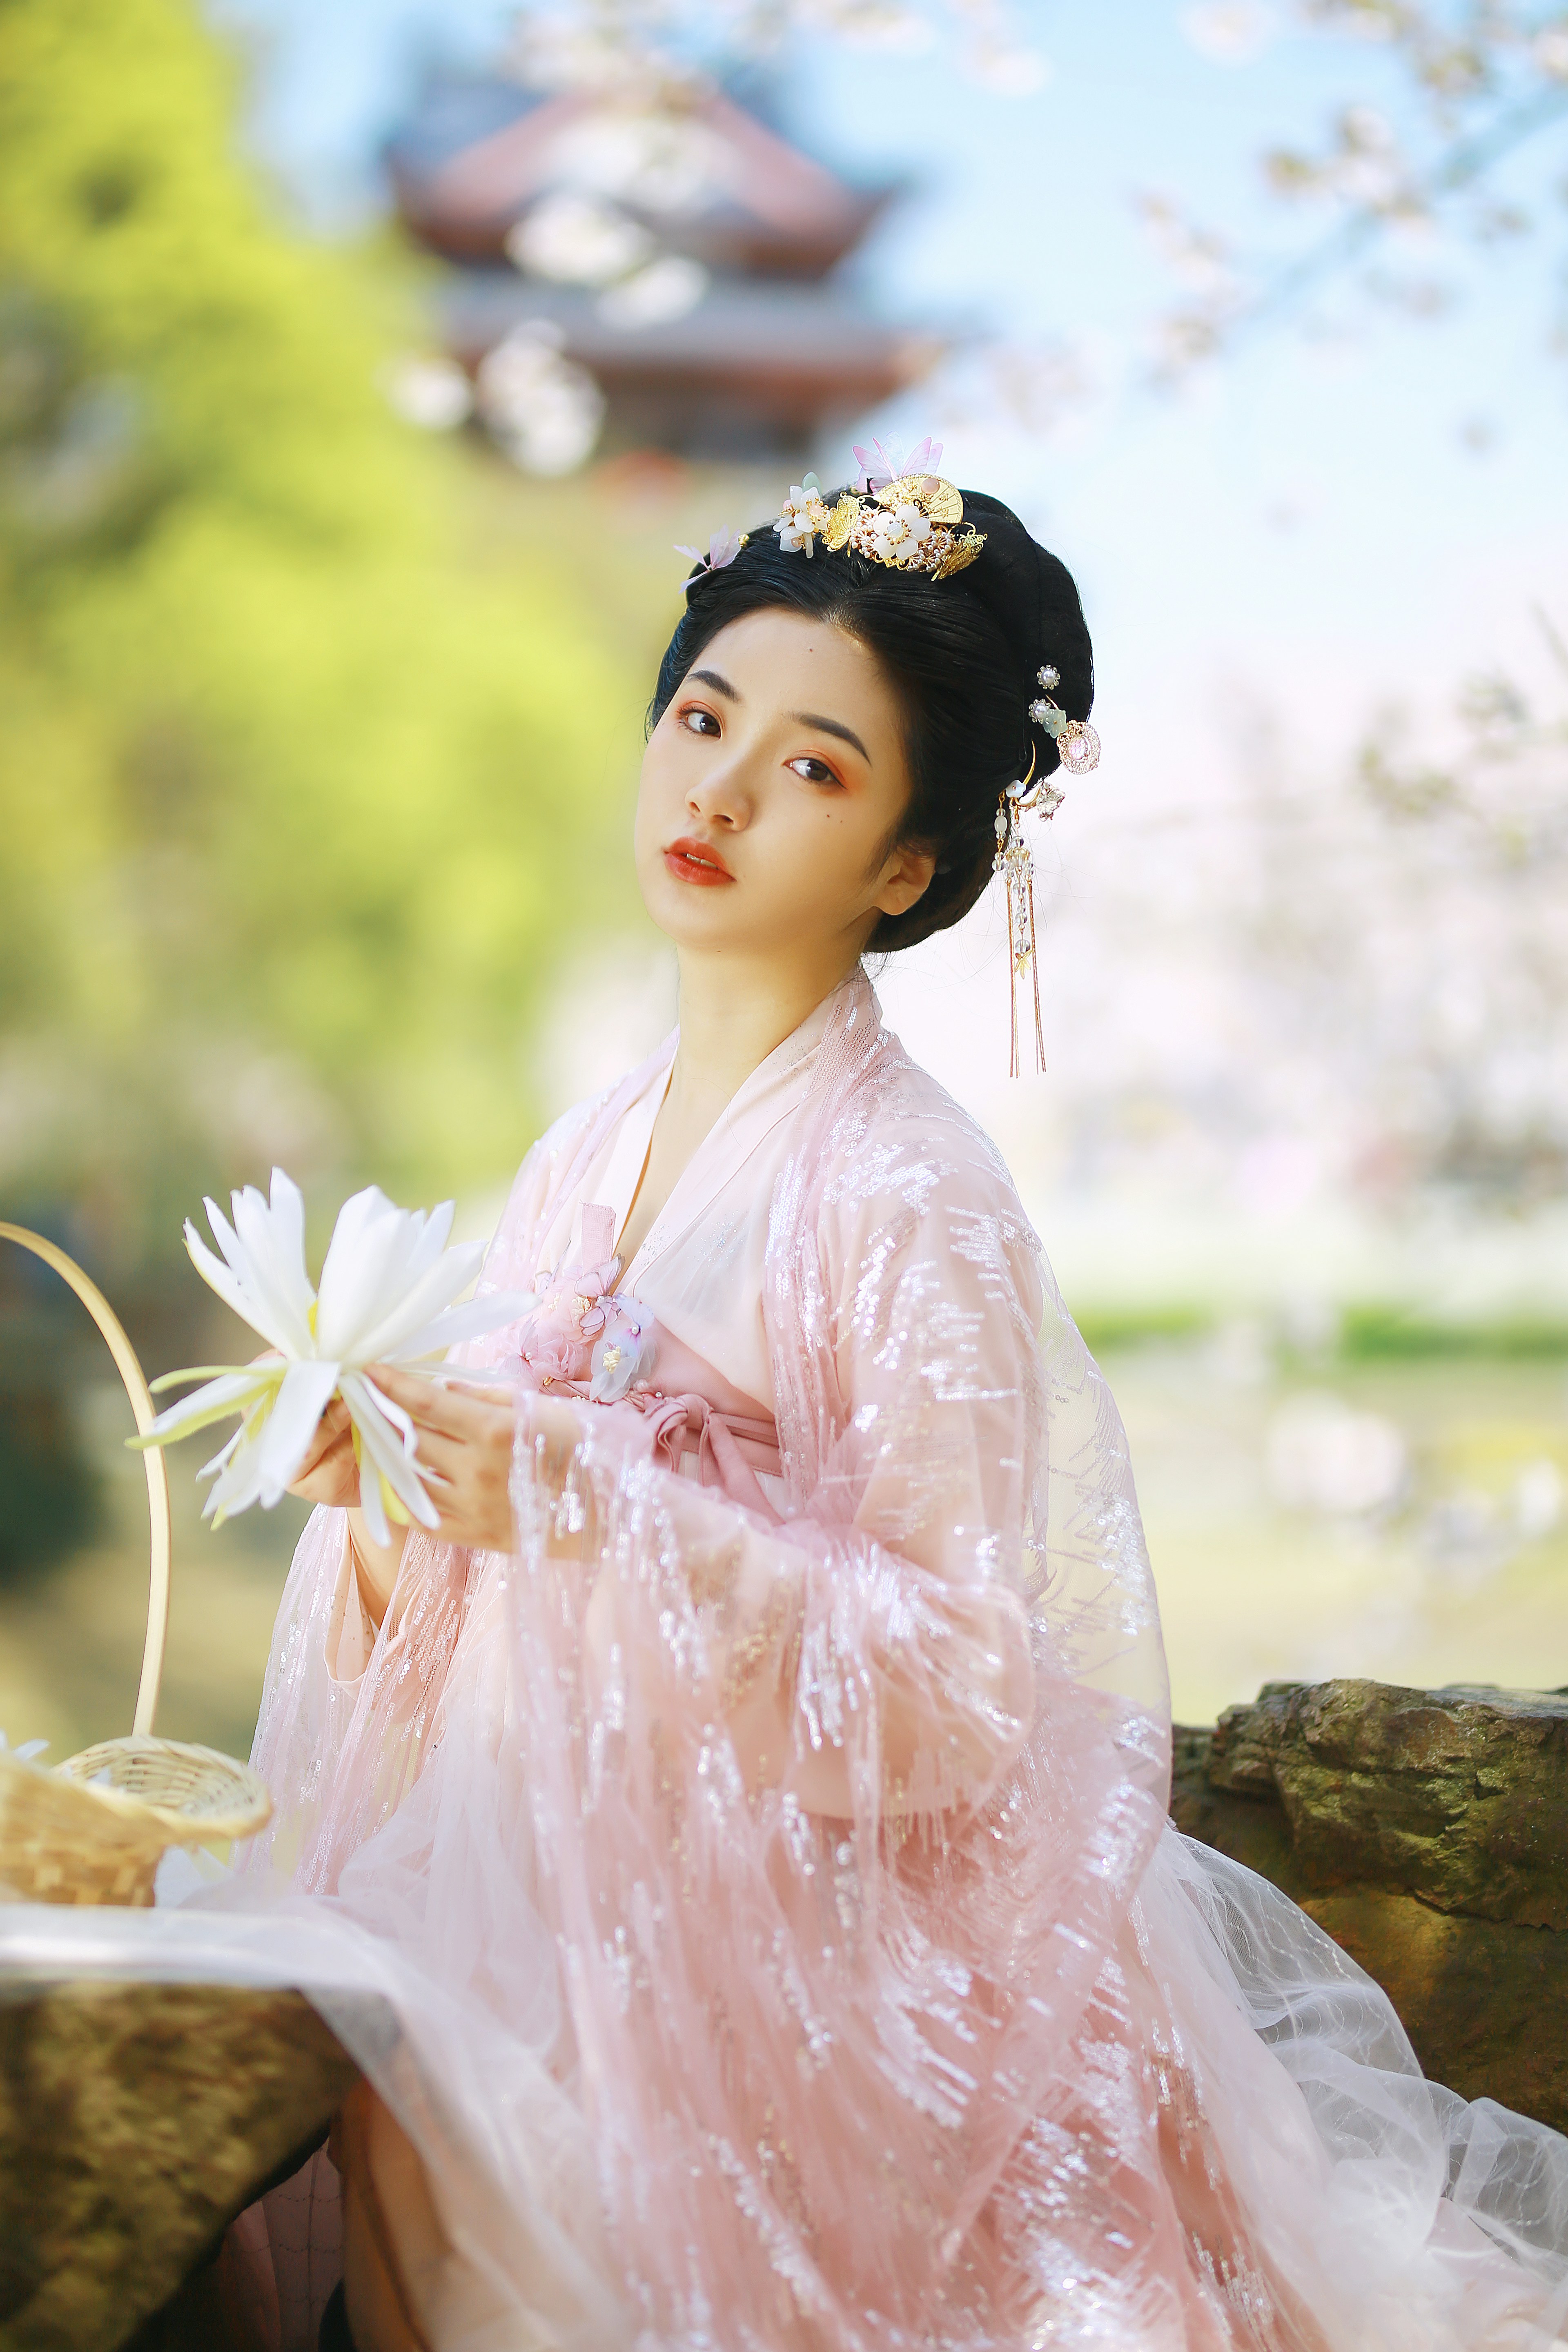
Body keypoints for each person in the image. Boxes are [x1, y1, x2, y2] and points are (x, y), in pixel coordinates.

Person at [18, 454, 1568, 2352]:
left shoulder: (906, 1192)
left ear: (906, 866)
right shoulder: (580, 1155)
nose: (721, 790)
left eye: (817, 768)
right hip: (554, 1890)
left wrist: (587, 1496)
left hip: (815, 1963)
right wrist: (399, 1502)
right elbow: (487, 1591)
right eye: (701, 716)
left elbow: (959, 1695)